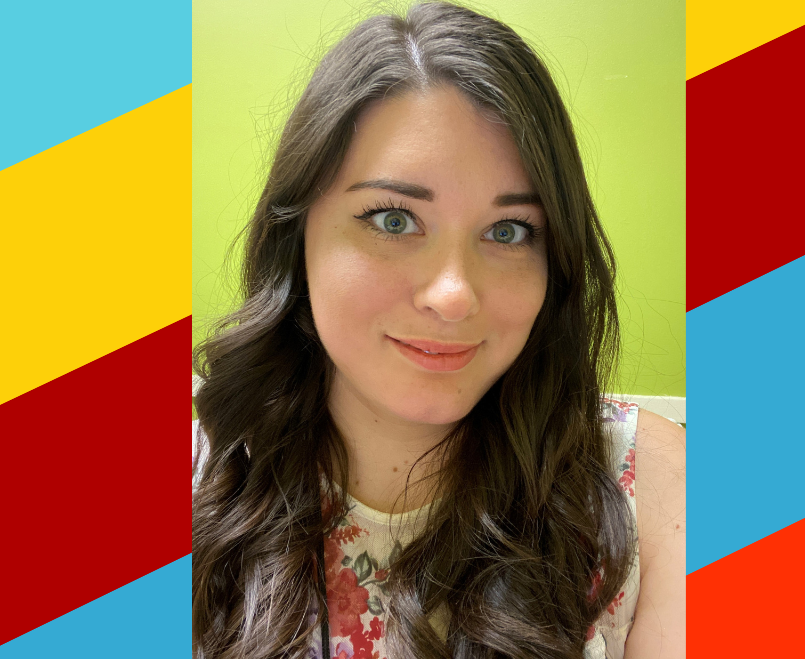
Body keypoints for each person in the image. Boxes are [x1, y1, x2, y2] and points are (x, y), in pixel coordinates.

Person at [191, 3, 685, 658]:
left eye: (508, 231)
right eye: (393, 220)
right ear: (297, 236)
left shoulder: (654, 489)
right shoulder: (198, 479)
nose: (454, 296)